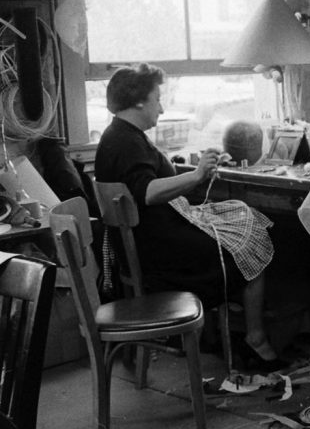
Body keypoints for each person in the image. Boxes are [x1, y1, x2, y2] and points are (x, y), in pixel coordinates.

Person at [94, 63, 287, 371]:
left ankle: (225, 328)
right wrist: (197, 175)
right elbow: (148, 192)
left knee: (242, 216)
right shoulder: (126, 141)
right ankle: (255, 337)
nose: (161, 105)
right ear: (140, 101)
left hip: (146, 244)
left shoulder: (119, 135)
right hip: (160, 255)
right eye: (157, 98)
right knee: (253, 244)